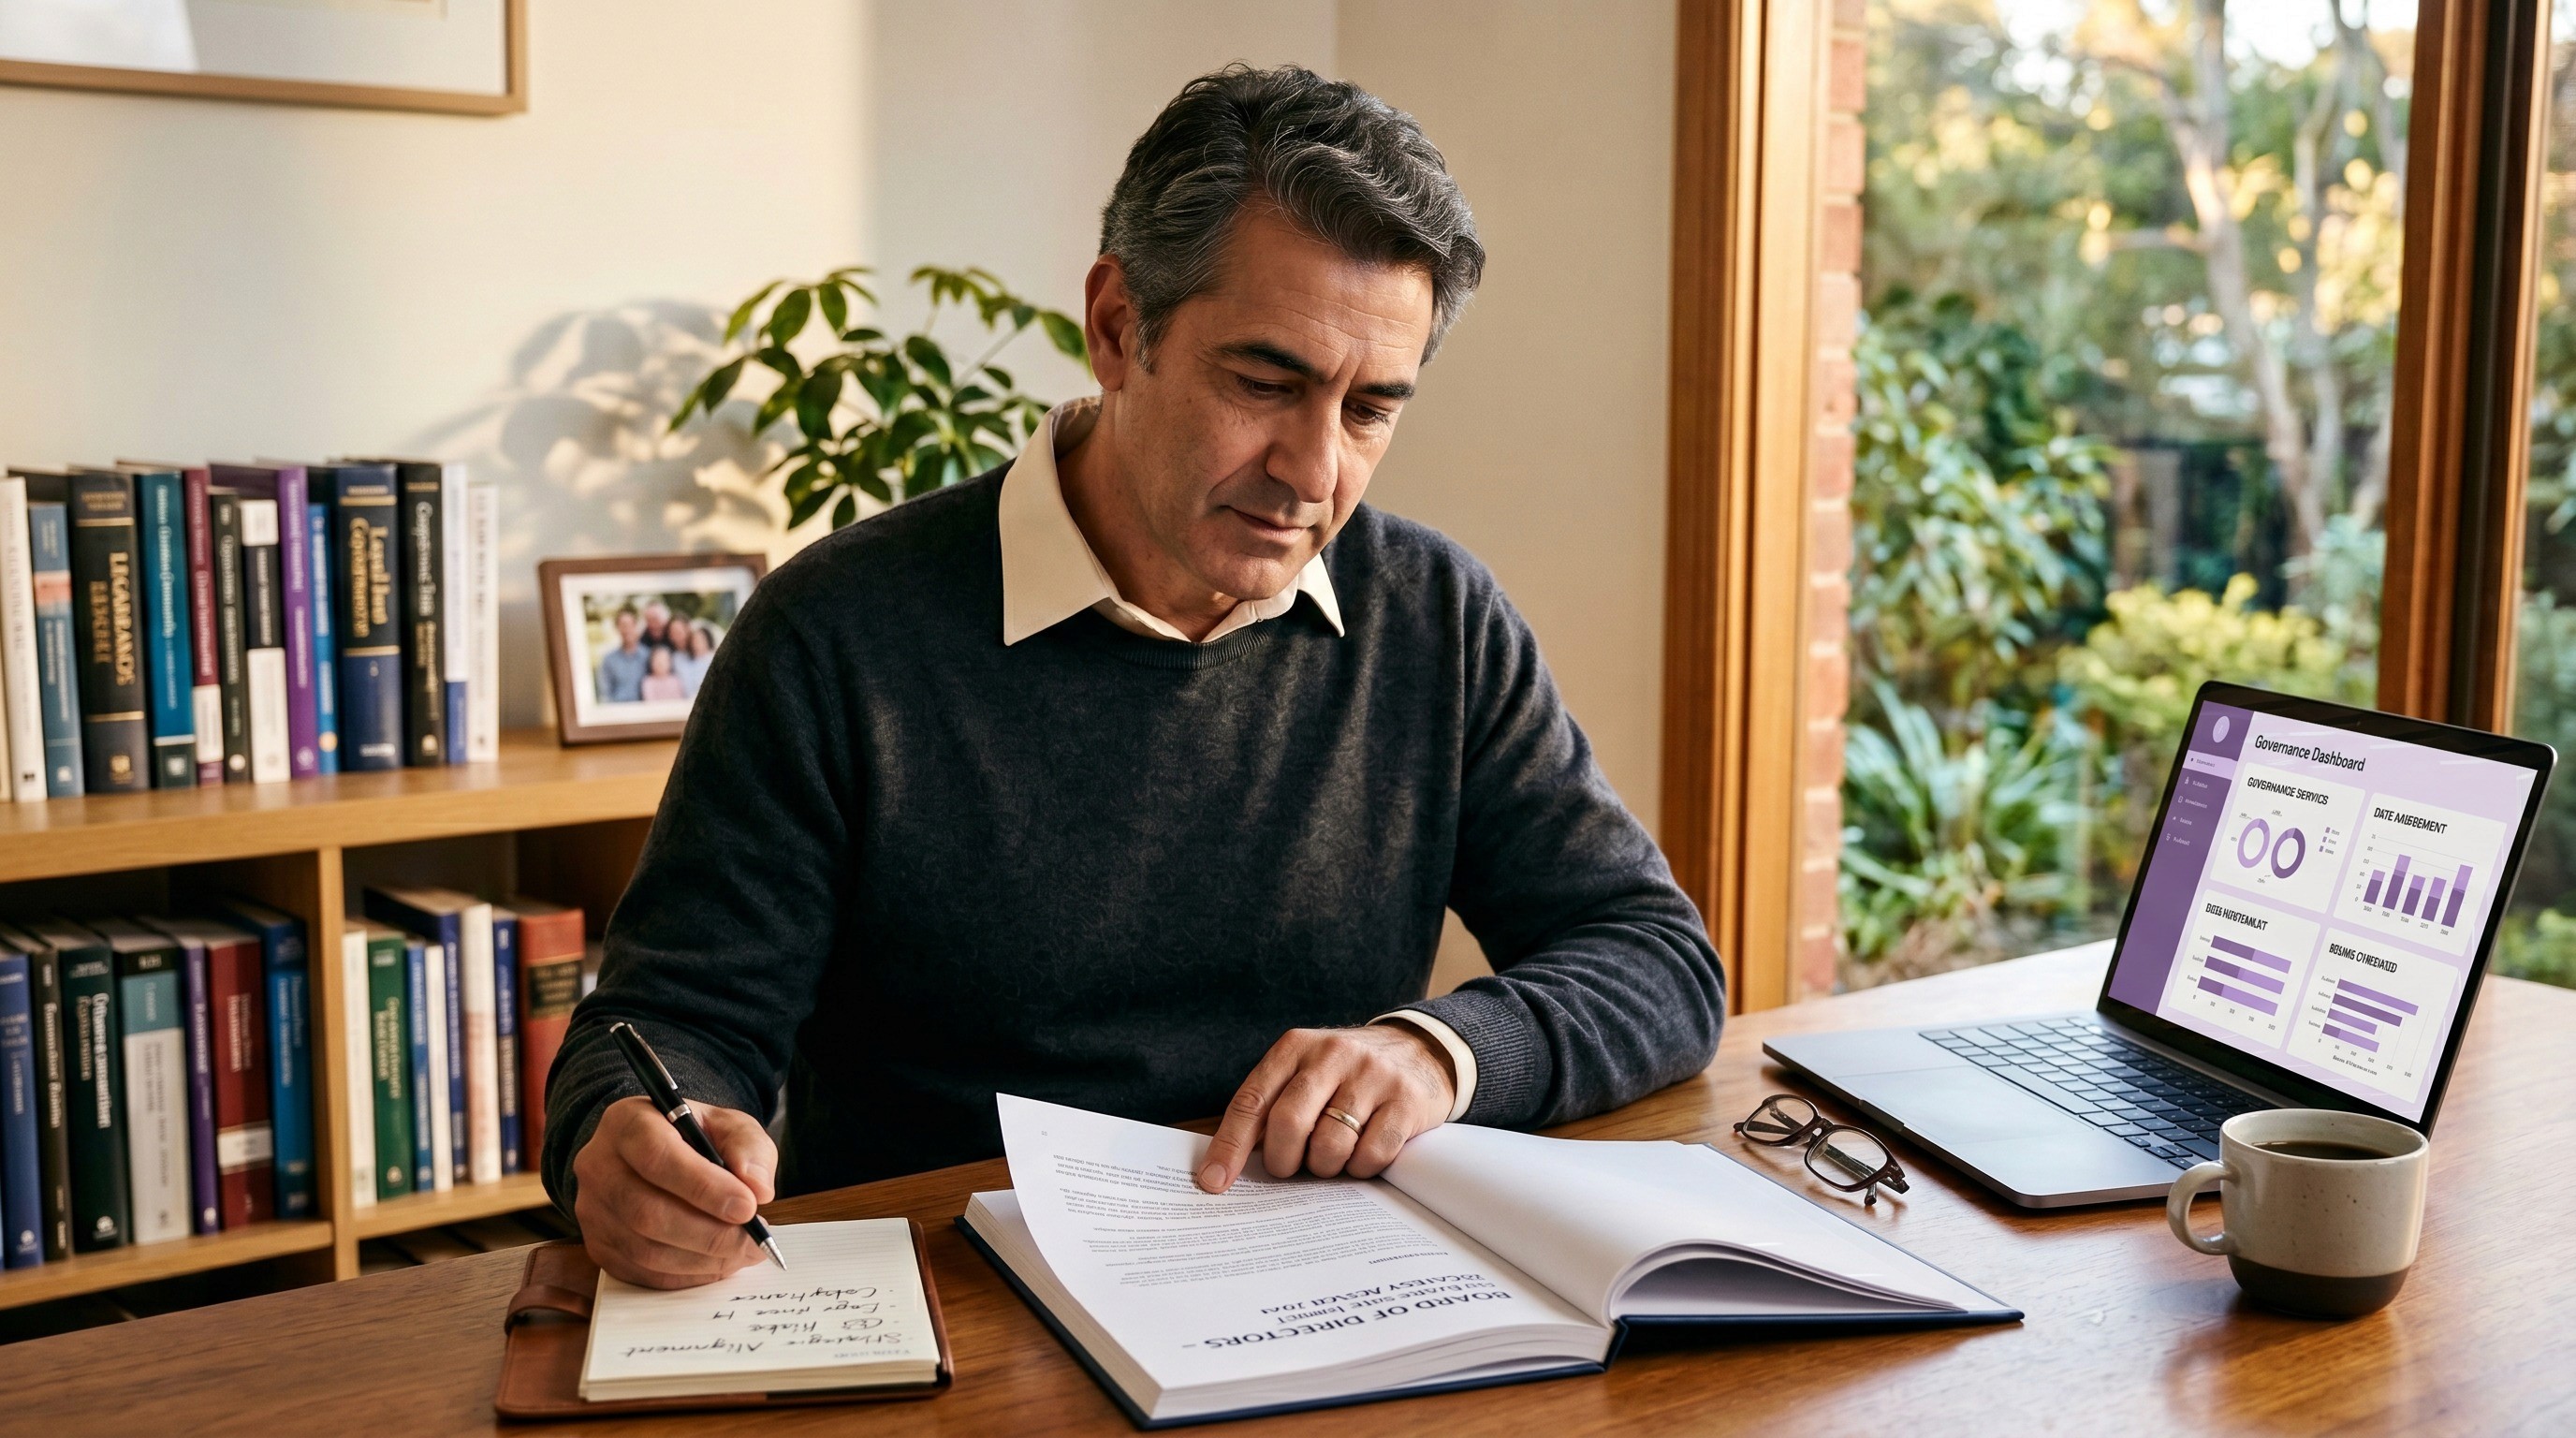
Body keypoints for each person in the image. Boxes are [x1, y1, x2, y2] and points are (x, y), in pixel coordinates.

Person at [545, 64, 1724, 1290]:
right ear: (1118, 327)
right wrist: (632, 1139)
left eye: (1371, 408)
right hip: (955, 1319)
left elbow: (1658, 959)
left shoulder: (1435, 618)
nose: (1315, 471)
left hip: (1312, 1306)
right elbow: (661, 1025)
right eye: (1266, 383)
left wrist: (1439, 1053)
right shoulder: (834, 635)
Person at [594, 608, 649, 704]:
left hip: (645, 710)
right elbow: (604, 693)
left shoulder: (648, 656)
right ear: (617, 629)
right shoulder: (609, 660)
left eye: (630, 625)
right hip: (619, 711)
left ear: (636, 627)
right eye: (623, 625)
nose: (627, 629)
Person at [672, 620, 716, 697]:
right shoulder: (682, 660)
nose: (697, 642)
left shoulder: (713, 660)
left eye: (701, 639)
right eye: (694, 639)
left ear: (707, 640)